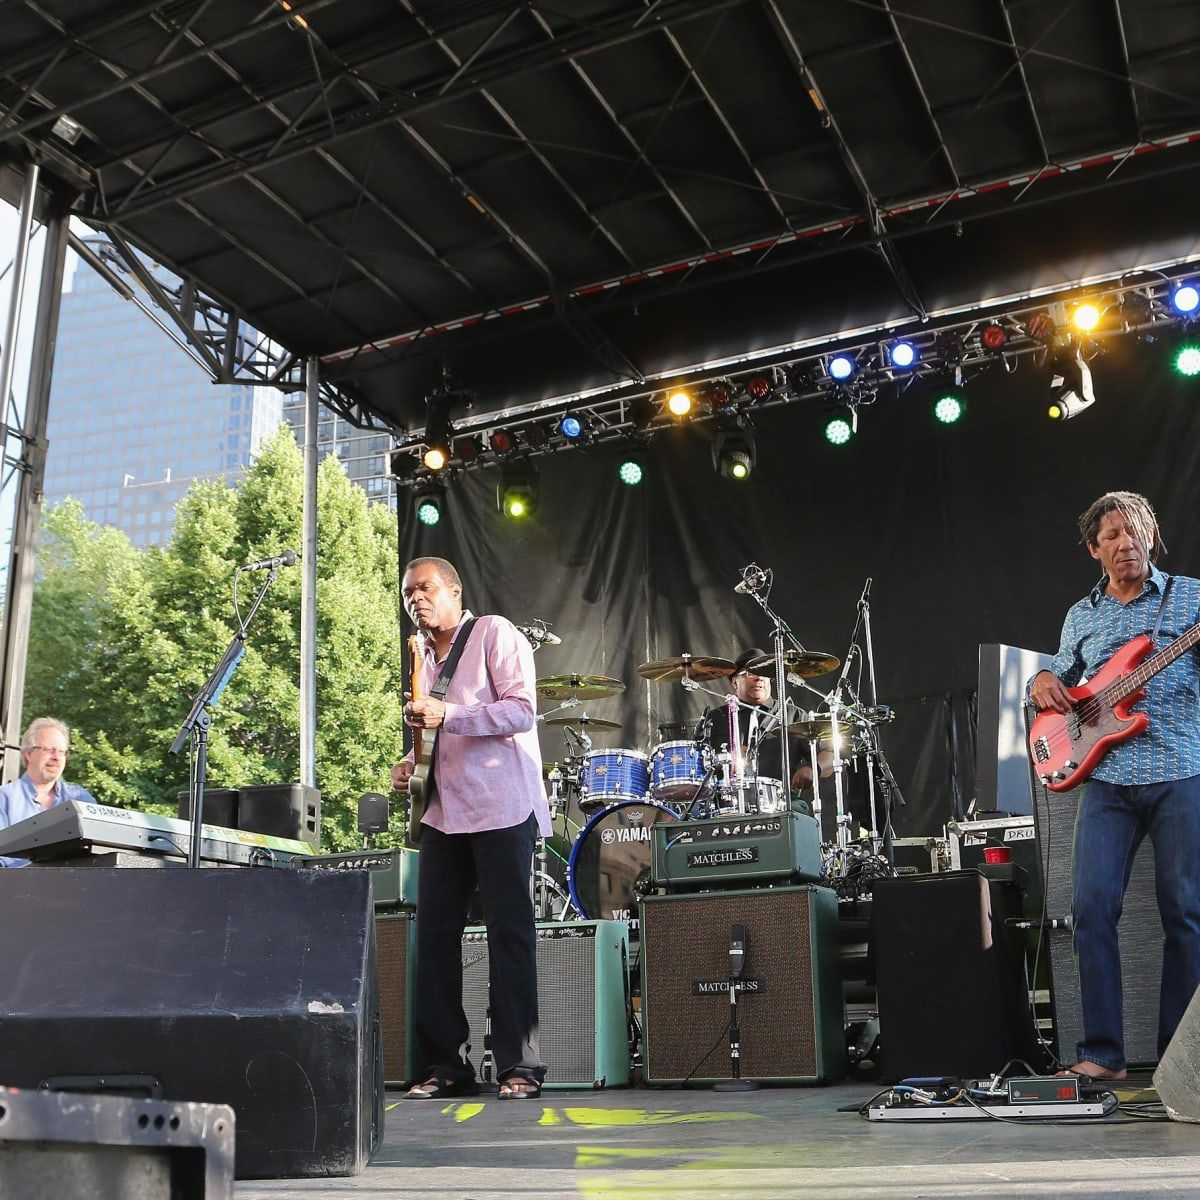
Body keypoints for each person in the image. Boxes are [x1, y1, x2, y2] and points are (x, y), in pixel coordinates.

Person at [1030, 491, 1200, 1081]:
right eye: (1113, 536)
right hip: (1105, 778)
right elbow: (1060, 677)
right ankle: (1102, 1054)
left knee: (1186, 912)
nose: (1126, 543)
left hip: (1180, 769)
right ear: (1094, 549)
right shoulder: (1083, 614)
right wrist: (1044, 679)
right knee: (1090, 908)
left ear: (1152, 536)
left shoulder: (1190, 598)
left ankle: (1180, 1061)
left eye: (1135, 532)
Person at [391, 556, 550, 1100]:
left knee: (509, 934)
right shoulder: (420, 662)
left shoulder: (492, 634)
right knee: (433, 938)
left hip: (502, 805)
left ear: (455, 591)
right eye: (408, 591)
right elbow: (435, 741)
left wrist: (449, 716)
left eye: (426, 588)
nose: (416, 598)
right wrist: (408, 764)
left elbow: (520, 712)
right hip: (443, 812)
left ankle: (518, 1067)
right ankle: (446, 1066)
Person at [0, 717, 97, 868]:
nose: (56, 757)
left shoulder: (81, 800)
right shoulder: (4, 799)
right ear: (28, 754)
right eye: (48, 750)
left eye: (62, 752)